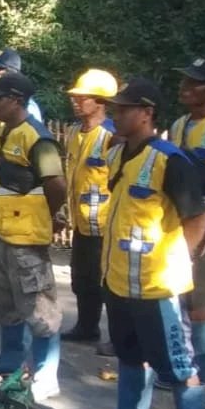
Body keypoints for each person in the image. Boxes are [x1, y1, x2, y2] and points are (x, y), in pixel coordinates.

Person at [85, 78, 205, 409]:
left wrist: (178, 261)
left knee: (178, 367)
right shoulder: (121, 153)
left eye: (124, 109)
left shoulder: (170, 160)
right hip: (120, 281)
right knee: (128, 355)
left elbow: (197, 220)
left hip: (158, 287)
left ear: (147, 113)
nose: (117, 114)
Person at [0, 73, 67, 400]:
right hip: (0, 236)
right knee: (5, 302)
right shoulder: (2, 133)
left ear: (15, 100)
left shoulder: (37, 138)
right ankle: (10, 361)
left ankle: (45, 375)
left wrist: (43, 216)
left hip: (26, 240)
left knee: (39, 309)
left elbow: (57, 186)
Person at [166, 57, 205, 409]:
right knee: (194, 306)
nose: (186, 87)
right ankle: (200, 376)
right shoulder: (178, 125)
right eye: (185, 80)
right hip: (186, 230)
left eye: (196, 82)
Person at [60, 69, 118, 345]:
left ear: (100, 101)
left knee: (106, 281)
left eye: (82, 97)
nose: (75, 101)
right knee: (82, 278)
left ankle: (120, 338)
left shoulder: (112, 137)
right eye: (75, 96)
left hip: (105, 224)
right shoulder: (74, 132)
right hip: (81, 222)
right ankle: (87, 327)